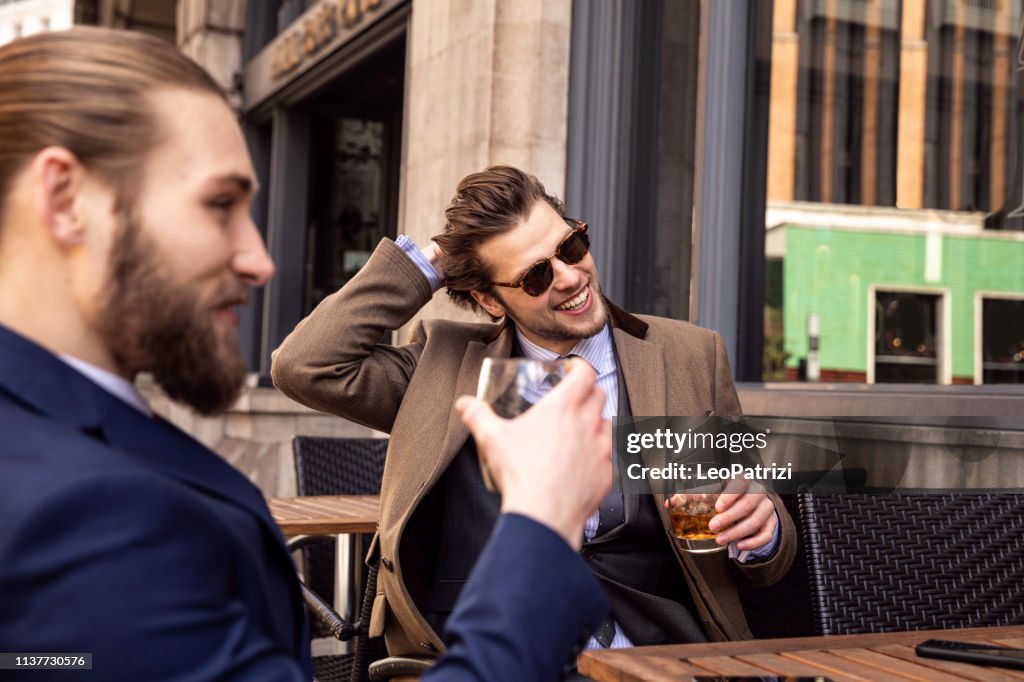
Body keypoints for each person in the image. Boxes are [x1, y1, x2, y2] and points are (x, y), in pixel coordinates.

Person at [0, 28, 612, 681]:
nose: (260, 261)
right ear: (65, 199)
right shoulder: (84, 510)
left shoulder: (679, 352)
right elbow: (306, 362)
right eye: (219, 205)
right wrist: (542, 528)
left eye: (571, 248)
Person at [272, 165, 798, 663]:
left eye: (571, 247)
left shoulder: (690, 355)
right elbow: (304, 364)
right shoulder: (441, 367)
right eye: (536, 275)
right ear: (489, 299)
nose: (569, 277)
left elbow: (760, 537)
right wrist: (431, 263)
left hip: (653, 655)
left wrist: (763, 529)